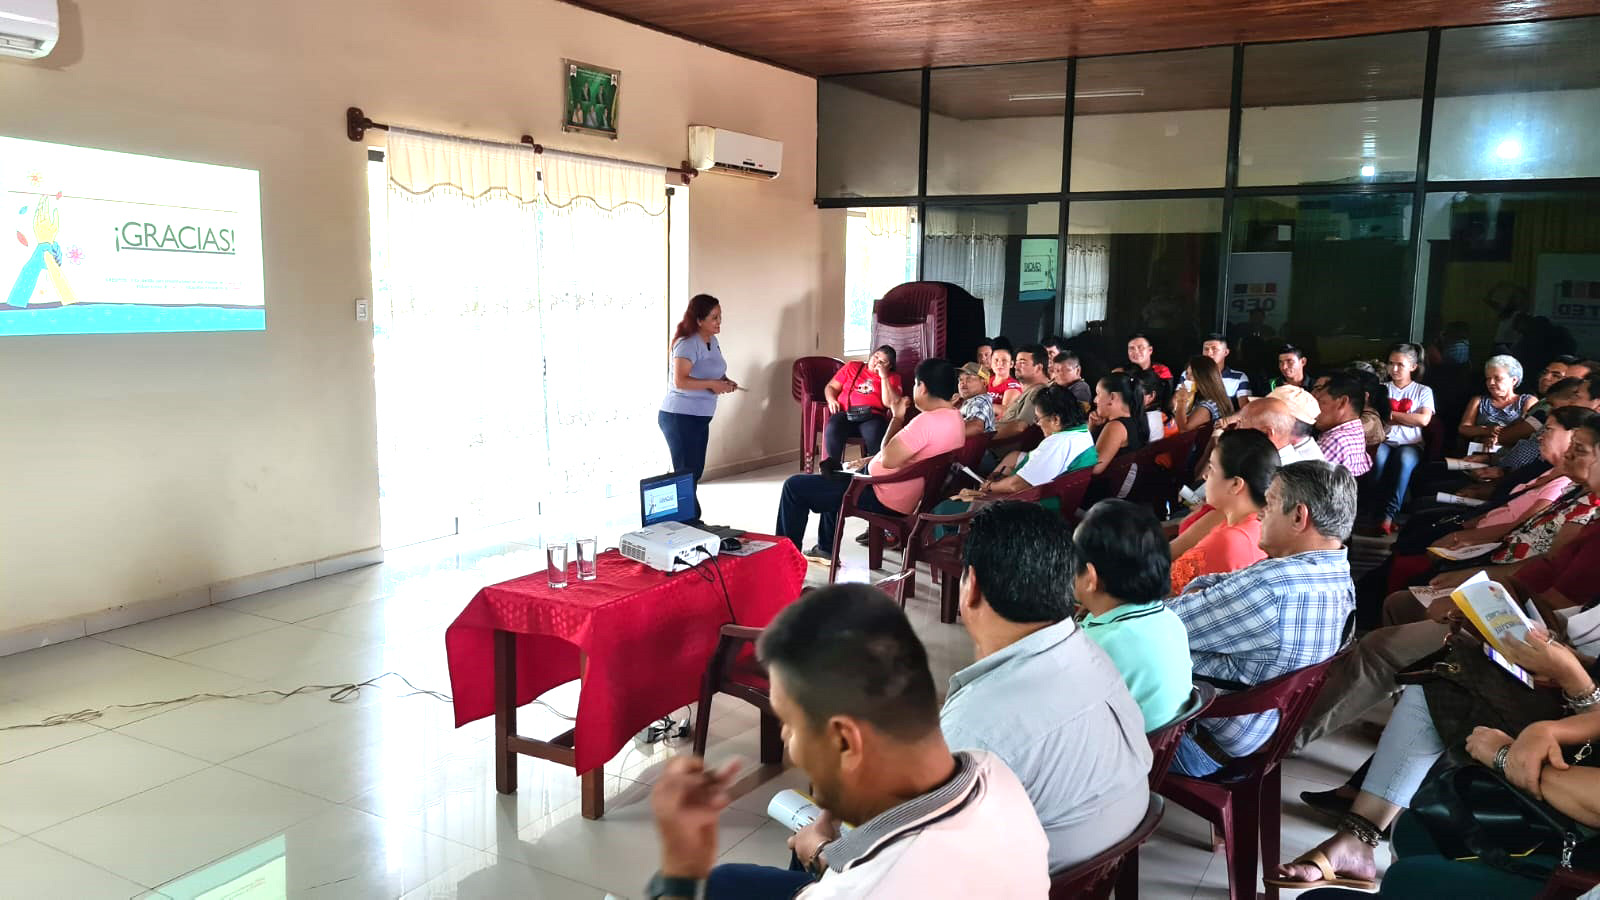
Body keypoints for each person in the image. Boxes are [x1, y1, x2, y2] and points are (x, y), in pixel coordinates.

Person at [691, 585, 1051, 899]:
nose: (786, 740)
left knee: (720, 884)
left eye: (790, 725)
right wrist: (825, 852)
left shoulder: (863, 892)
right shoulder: (995, 772)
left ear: (844, 741)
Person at [1267, 624, 1600, 893]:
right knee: (1447, 670)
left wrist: (1504, 756)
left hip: (1583, 825)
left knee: (1407, 874)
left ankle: (1271, 748)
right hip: (1578, 749)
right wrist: (1562, 668)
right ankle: (1358, 837)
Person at [941, 502, 1152, 872]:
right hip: (1100, 857)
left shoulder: (975, 727)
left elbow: (902, 856)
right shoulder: (1091, 653)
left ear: (971, 586)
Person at [1167, 461, 1358, 776]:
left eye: (1269, 504)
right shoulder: (1337, 576)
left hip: (1192, 739)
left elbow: (1158, 626)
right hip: (1255, 732)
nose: (1258, 515)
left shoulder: (1273, 589)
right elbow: (1214, 586)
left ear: (1298, 516)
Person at [776, 359, 965, 561]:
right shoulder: (955, 419)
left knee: (794, 487)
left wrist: (897, 418)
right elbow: (906, 456)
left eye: (915, 384)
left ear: (923, 387)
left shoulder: (926, 421)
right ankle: (825, 548)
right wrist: (869, 460)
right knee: (834, 474)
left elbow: (888, 459)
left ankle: (783, 560)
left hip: (880, 493)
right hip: (895, 490)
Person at [1072, 499, 1195, 727]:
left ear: (1090, 577)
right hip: (1162, 743)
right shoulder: (1169, 619)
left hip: (1118, 746)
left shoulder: (1094, 648)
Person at [659, 294, 737, 519]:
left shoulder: (712, 341)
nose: (719, 322)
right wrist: (712, 384)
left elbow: (712, 371)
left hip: (700, 417)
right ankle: (687, 521)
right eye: (714, 317)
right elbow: (680, 381)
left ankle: (688, 520)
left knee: (695, 470)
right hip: (679, 416)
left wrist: (724, 381)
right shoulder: (687, 343)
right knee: (686, 473)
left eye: (720, 316)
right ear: (699, 320)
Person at [1170, 429, 1277, 593]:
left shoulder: (1231, 540)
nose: (1206, 476)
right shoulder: (1259, 524)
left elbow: (1167, 590)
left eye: (1212, 469)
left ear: (1236, 484)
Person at [952, 387, 1096, 506]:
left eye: (1038, 418)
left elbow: (1017, 485)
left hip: (1030, 508)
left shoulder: (1058, 443)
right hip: (1052, 502)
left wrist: (989, 487)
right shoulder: (1082, 432)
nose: (1037, 424)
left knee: (948, 506)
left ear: (1056, 419)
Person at [1371, 343, 1436, 534]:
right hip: (1384, 440)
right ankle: (1375, 511)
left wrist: (1390, 415)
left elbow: (1423, 420)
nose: (1394, 369)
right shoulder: (1381, 389)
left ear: (1413, 367)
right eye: (1391, 363)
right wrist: (1408, 418)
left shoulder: (1423, 391)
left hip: (1411, 444)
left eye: (1400, 364)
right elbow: (1374, 416)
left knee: (1403, 462)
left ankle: (1389, 516)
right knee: (1377, 462)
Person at [822, 345, 903, 463]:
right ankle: (833, 467)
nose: (876, 362)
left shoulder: (893, 377)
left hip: (872, 416)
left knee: (875, 431)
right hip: (846, 413)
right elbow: (831, 387)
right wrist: (831, 400)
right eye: (876, 357)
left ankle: (872, 469)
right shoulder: (852, 366)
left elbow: (890, 403)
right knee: (833, 426)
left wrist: (884, 377)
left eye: (882, 362)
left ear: (889, 366)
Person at [1456, 354, 1537, 445]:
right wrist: (1486, 430)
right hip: (1479, 449)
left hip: (1513, 450)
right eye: (1488, 378)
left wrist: (1500, 438)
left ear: (1514, 380)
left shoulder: (1528, 401)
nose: (1491, 383)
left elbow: (1531, 428)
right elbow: (1463, 428)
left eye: (1497, 378)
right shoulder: (1478, 401)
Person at [1087, 372, 1150, 475]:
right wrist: (1093, 428)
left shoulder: (1116, 427)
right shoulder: (1137, 418)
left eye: (1098, 394)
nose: (1095, 400)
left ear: (1112, 397)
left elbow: (1094, 469)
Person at [1313, 372, 1374, 477]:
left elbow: (1302, 482)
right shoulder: (1355, 431)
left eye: (1321, 402)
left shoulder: (1335, 442)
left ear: (1342, 402)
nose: (1315, 409)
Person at [994, 343, 1051, 439]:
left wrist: (984, 438)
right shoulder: (1030, 390)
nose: (1016, 367)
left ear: (1038, 368)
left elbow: (1020, 427)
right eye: (1016, 362)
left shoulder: (1039, 392)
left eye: (1022, 363)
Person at [1173, 354, 1233, 433]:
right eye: (1187, 373)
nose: (1187, 378)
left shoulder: (1209, 404)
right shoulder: (1198, 397)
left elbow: (1184, 430)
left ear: (1204, 378)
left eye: (1192, 375)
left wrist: (1181, 401)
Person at [1199, 333, 1251, 403]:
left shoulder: (1239, 378)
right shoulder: (1191, 374)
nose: (1209, 353)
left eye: (1214, 349)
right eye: (1206, 349)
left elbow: (1245, 407)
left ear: (1226, 352)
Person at [956, 361, 997, 437]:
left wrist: (945, 435)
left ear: (984, 383)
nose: (962, 383)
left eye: (969, 379)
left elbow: (976, 427)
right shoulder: (968, 401)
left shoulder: (981, 400)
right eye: (960, 379)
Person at [987, 347, 1023, 417]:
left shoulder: (1013, 385)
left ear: (1011, 364)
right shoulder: (987, 380)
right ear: (991, 363)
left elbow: (1006, 411)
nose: (1000, 363)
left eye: (1004, 360)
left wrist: (981, 405)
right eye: (996, 360)